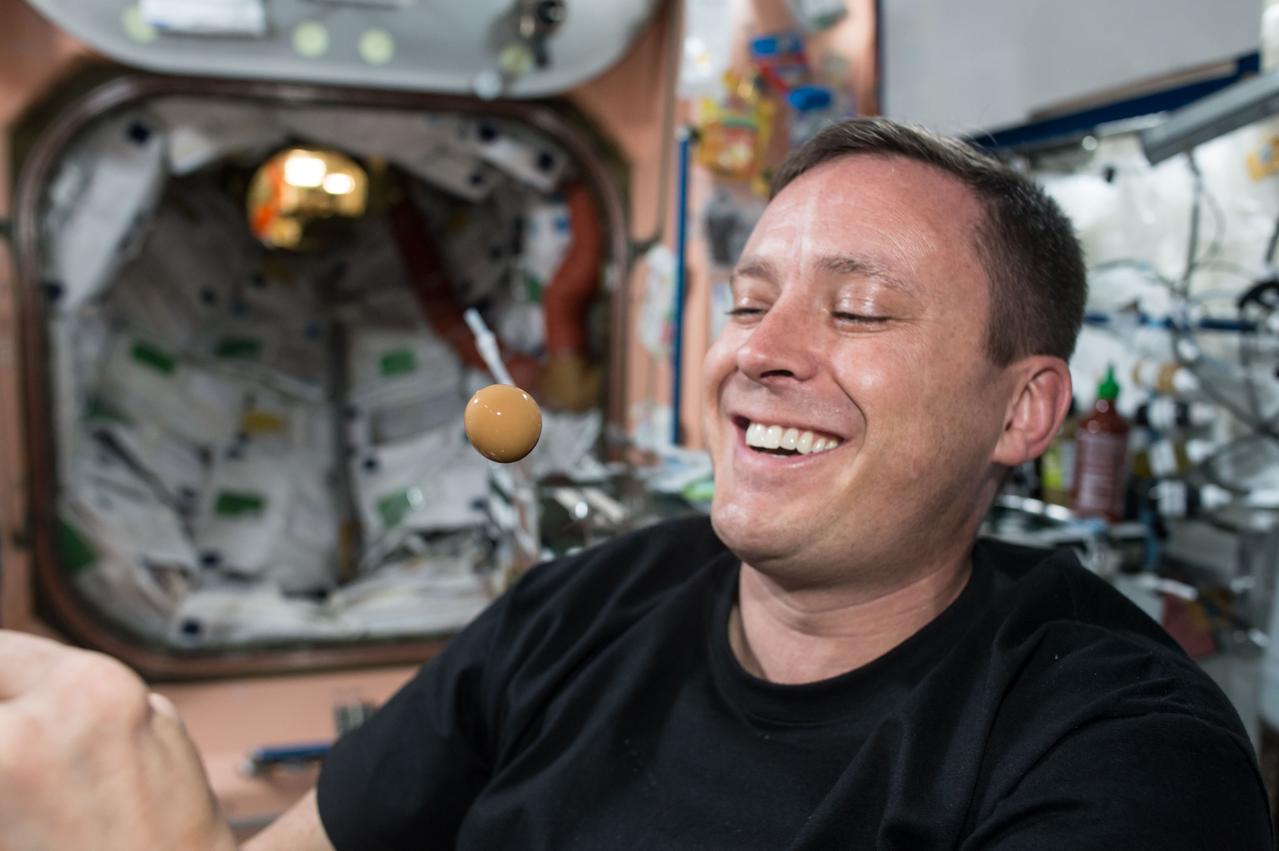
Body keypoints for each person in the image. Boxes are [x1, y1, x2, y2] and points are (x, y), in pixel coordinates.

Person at [0, 118, 1270, 850]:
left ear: (1023, 409)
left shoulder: (1123, 758)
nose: (758, 353)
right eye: (750, 299)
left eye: (862, 309)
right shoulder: (579, 611)